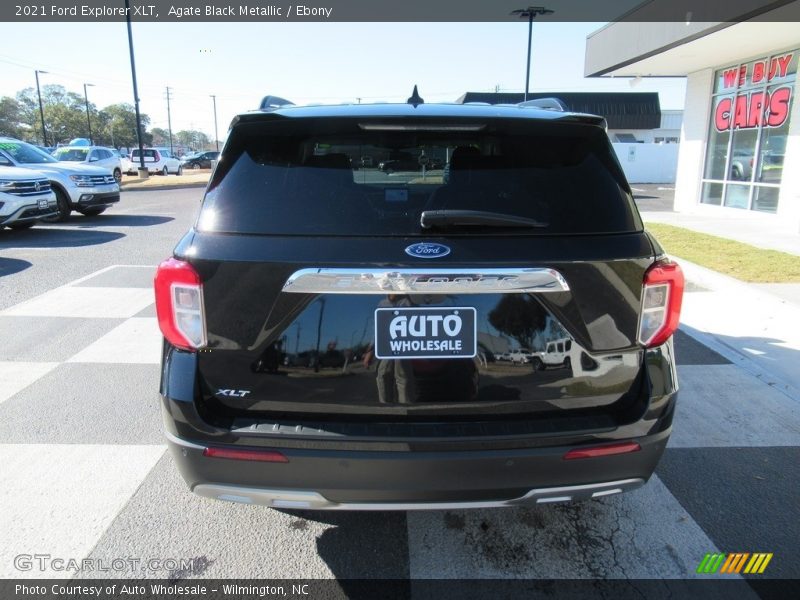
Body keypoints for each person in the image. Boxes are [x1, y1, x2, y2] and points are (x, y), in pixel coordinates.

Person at [363, 294, 417, 404]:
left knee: (402, 376)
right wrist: (370, 350)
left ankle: (406, 410)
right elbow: (377, 329)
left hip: (403, 345)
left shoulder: (407, 303)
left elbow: (416, 323)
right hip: (385, 345)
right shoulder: (382, 304)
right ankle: (385, 408)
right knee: (383, 374)